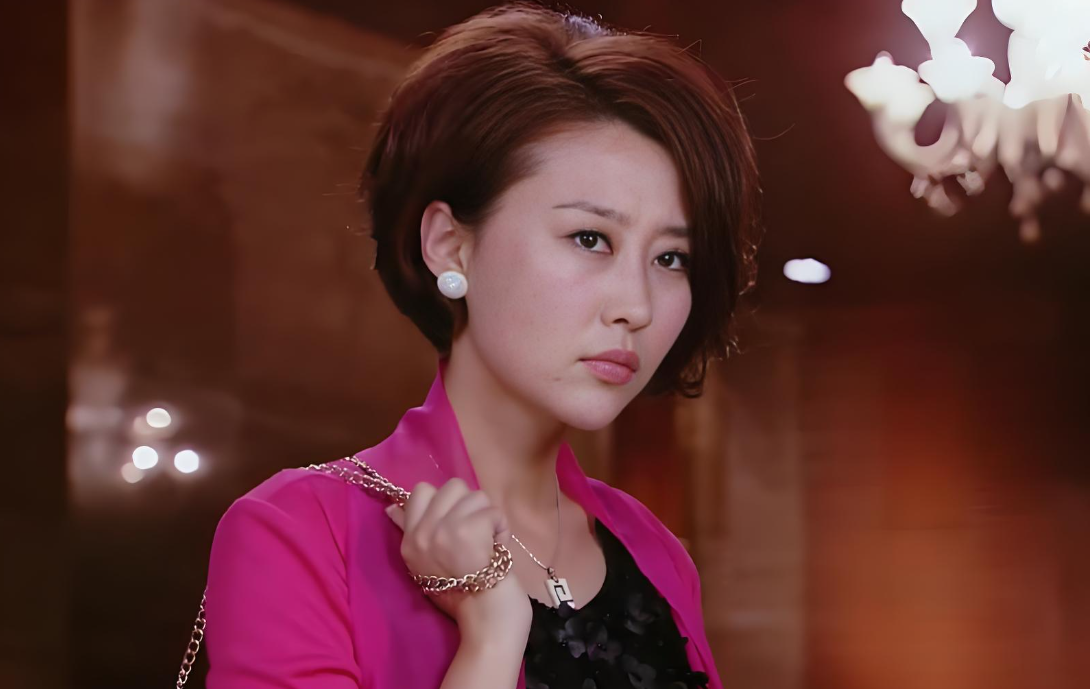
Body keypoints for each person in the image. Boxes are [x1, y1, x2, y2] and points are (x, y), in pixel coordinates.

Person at [202, 3, 761, 688]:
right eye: (590, 238)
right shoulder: (302, 531)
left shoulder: (653, 550)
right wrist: (492, 634)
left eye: (671, 258)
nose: (637, 307)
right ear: (449, 244)